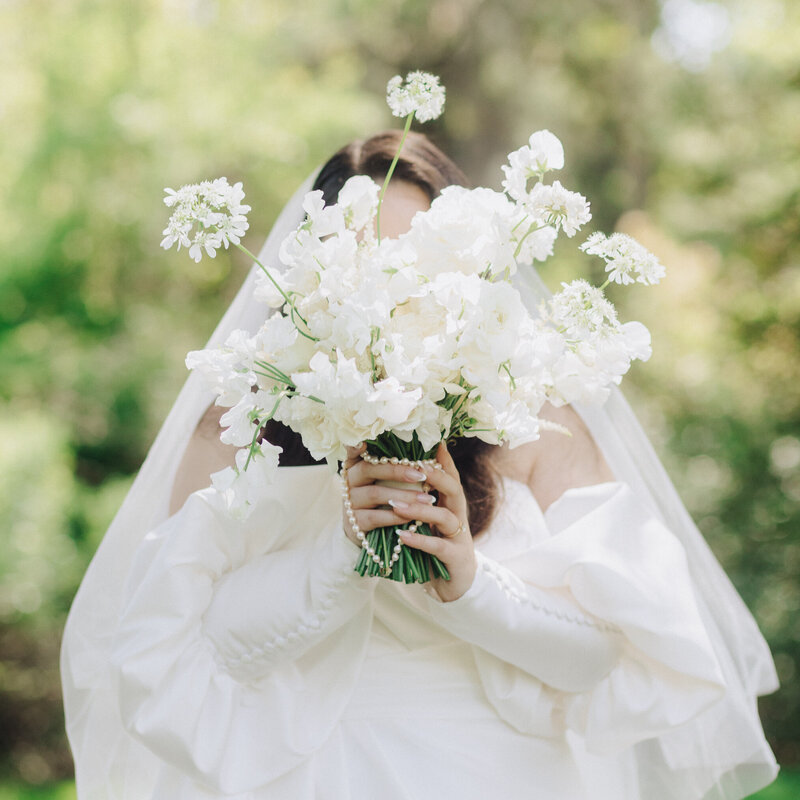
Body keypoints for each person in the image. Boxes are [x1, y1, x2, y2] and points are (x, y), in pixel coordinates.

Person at [61, 131, 779, 799]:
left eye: (415, 260)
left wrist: (469, 583)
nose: (389, 289)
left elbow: (602, 659)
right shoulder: (239, 424)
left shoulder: (537, 413)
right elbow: (186, 650)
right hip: (316, 774)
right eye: (364, 262)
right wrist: (341, 554)